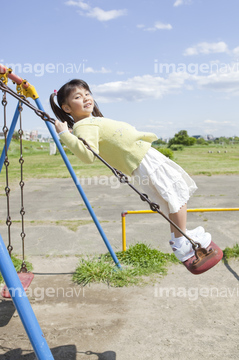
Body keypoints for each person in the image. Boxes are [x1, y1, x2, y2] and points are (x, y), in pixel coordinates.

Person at [50, 79, 211, 263]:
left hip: (143, 159)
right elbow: (88, 155)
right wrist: (64, 134)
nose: (86, 98)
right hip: (143, 160)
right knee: (176, 194)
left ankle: (182, 236)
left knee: (171, 199)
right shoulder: (84, 125)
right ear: (67, 108)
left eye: (87, 93)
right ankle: (181, 243)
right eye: (78, 97)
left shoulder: (89, 122)